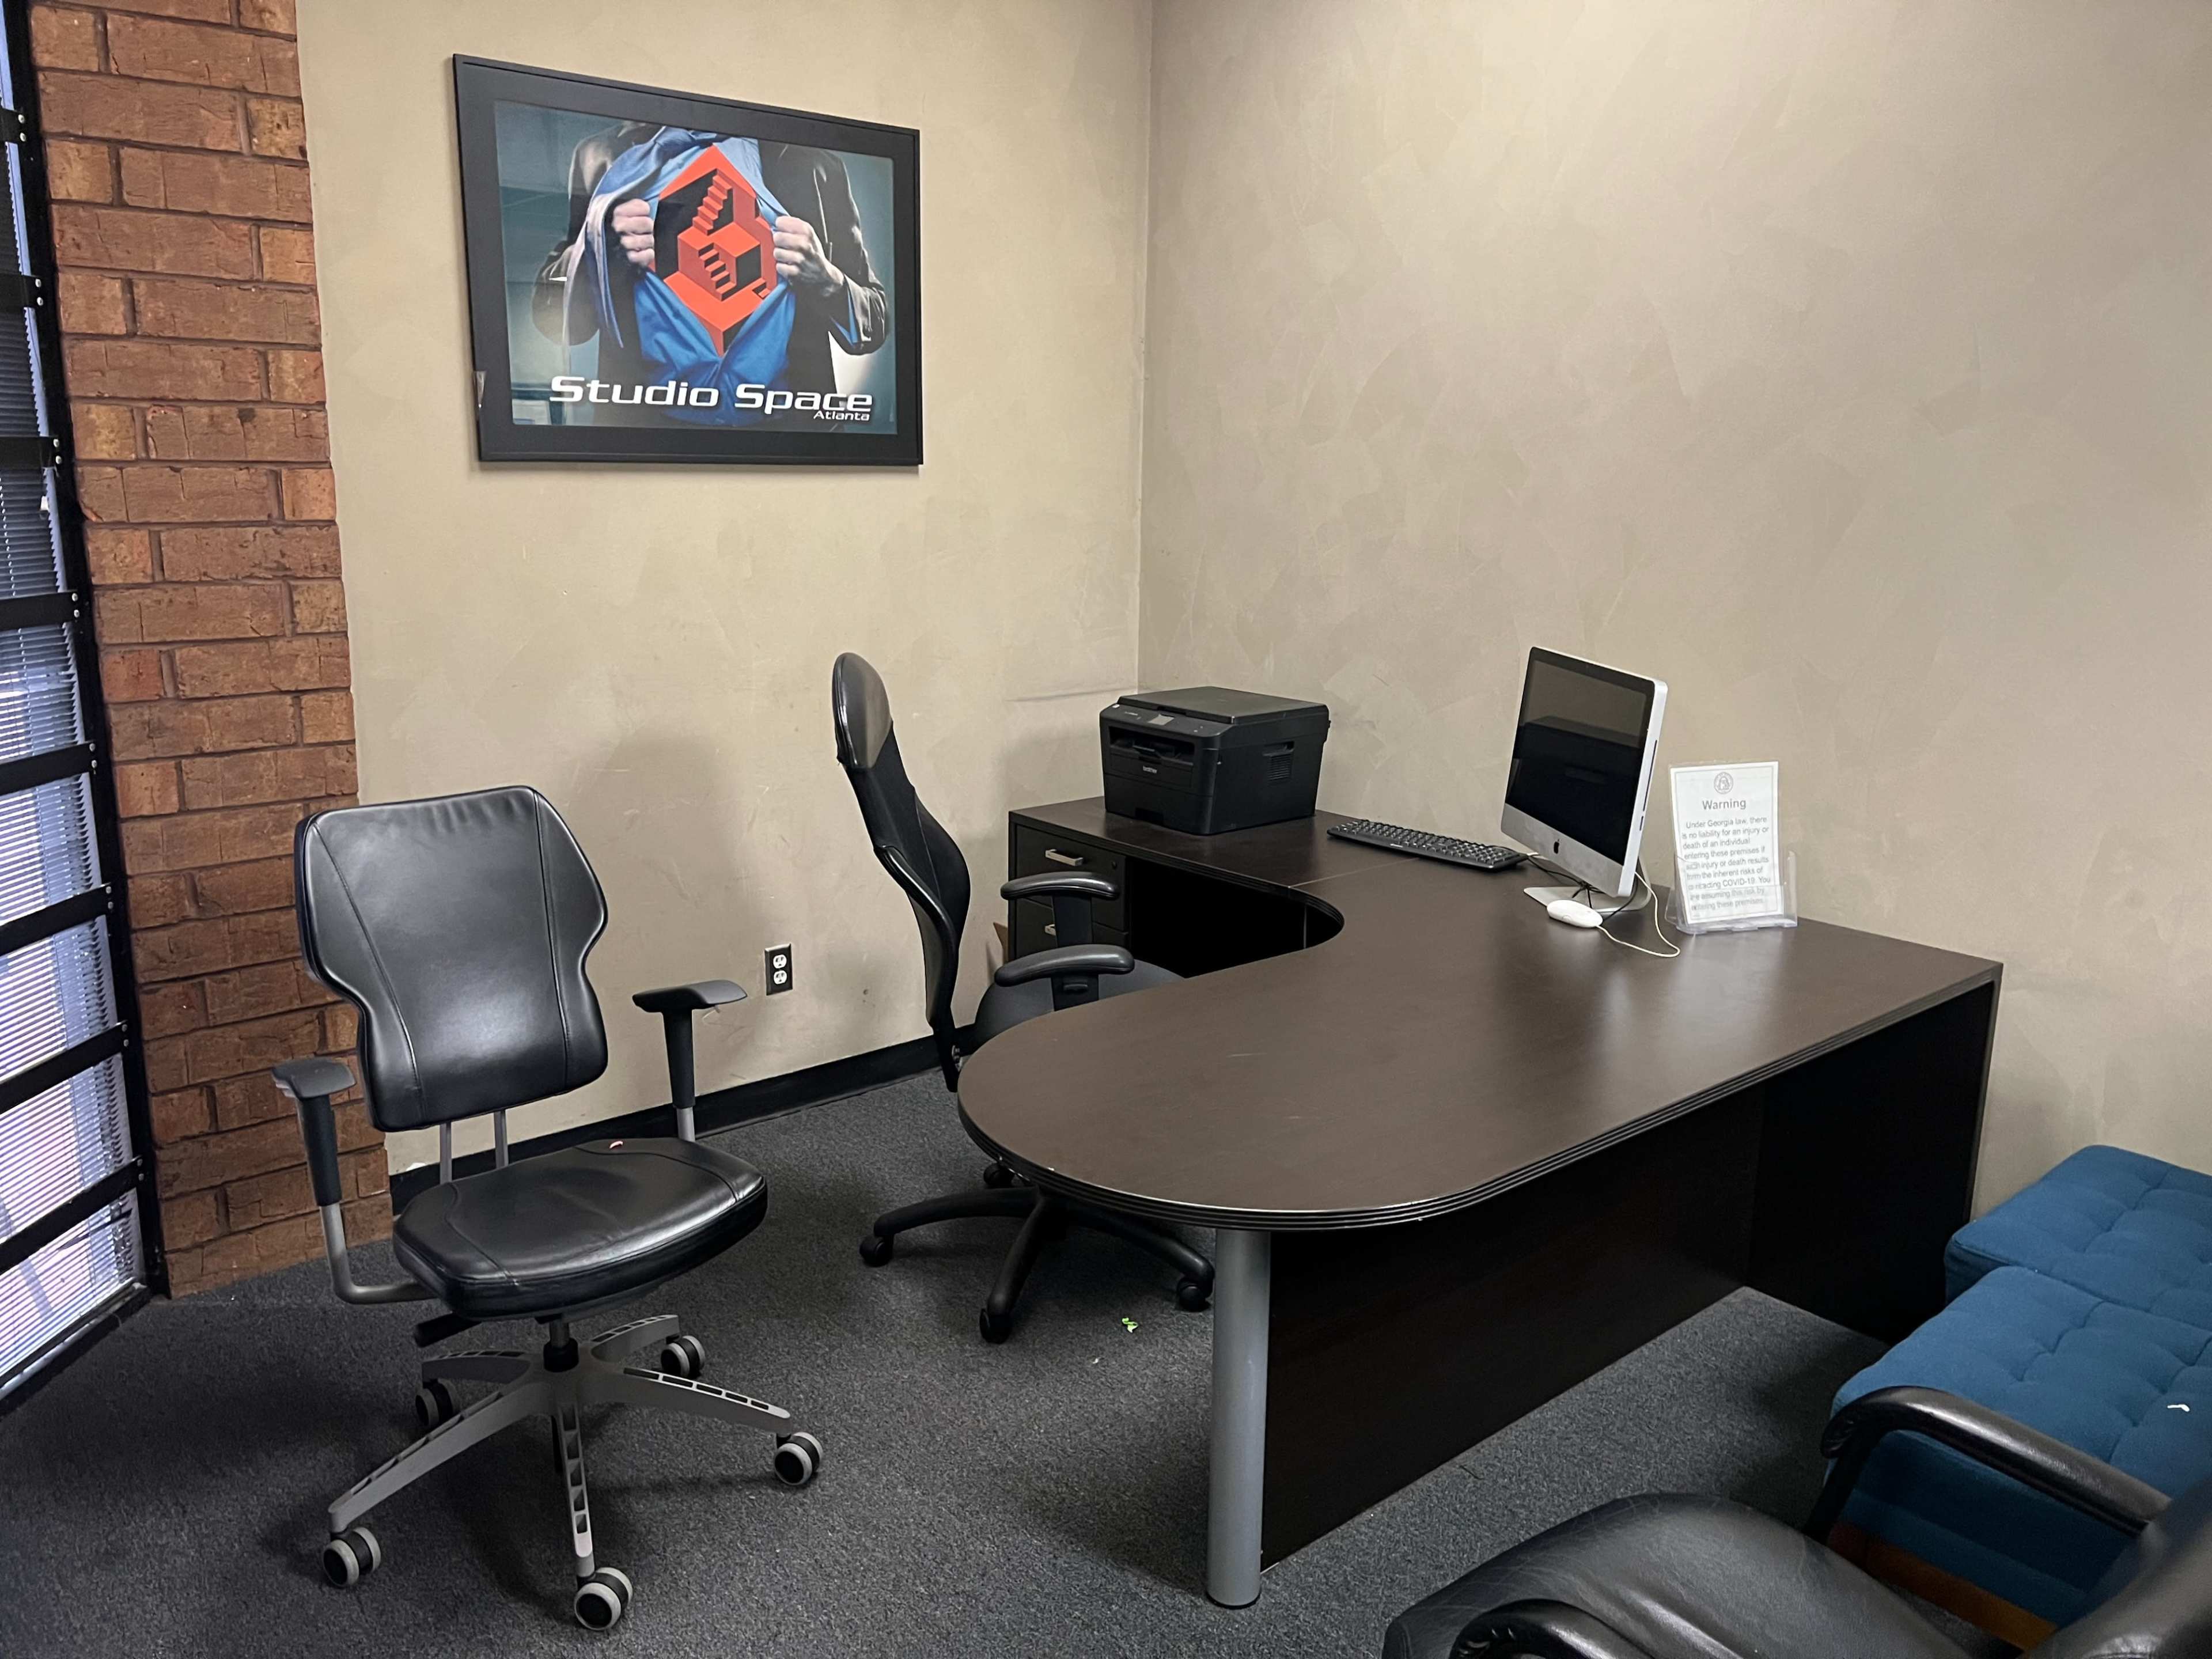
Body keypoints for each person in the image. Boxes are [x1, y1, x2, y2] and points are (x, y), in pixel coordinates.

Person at [533, 122, 889, 421]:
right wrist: (598, 250)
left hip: (792, 444)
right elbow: (552, 318)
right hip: (647, 447)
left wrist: (828, 281)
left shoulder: (815, 164)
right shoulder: (601, 156)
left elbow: (875, 321)